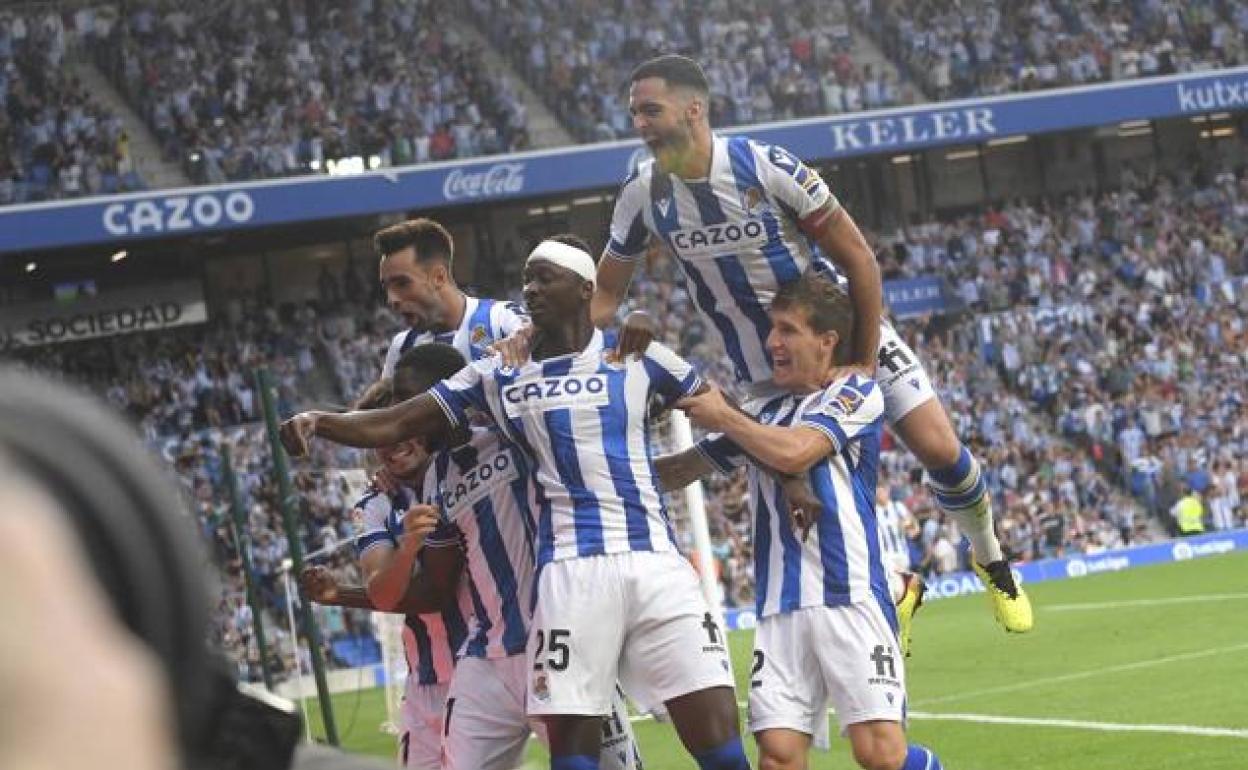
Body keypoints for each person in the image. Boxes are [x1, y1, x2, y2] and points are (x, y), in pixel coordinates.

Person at [591, 54, 1030, 633]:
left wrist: (861, 363)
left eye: (651, 110)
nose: (640, 124)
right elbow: (603, 296)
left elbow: (860, 260)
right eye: (634, 114)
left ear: (693, 108)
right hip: (763, 370)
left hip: (839, 336)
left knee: (941, 451)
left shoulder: (765, 167)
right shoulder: (642, 193)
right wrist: (562, 335)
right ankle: (894, 590)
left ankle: (990, 556)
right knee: (811, 498)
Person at [281, 239, 751, 770]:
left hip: (656, 566)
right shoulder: (494, 380)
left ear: (585, 288)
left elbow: (727, 420)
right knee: (573, 760)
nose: (529, 289)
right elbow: (400, 423)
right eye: (526, 279)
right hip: (562, 585)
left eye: (544, 277)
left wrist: (761, 466)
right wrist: (320, 420)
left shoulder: (635, 357)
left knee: (723, 748)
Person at [657, 274, 945, 770]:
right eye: (772, 330)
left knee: (881, 757)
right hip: (780, 606)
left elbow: (797, 452)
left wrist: (725, 416)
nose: (773, 343)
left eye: (788, 330)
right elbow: (684, 469)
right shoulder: (762, 408)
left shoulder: (856, 392)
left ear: (827, 341)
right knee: (779, 758)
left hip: (849, 596)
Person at [306, 377, 469, 770]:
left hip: (484, 664)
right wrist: (409, 544)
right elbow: (382, 592)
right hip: (424, 677)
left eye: (402, 429)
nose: (394, 445)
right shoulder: (374, 503)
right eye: (381, 437)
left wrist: (342, 594)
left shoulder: (462, 471)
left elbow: (438, 592)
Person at [376, 217, 528, 378]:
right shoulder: (402, 347)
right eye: (386, 287)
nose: (391, 300)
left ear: (439, 277)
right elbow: (389, 403)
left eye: (402, 283)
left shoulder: (502, 319)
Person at [875, 485, 925, 656]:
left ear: (887, 491)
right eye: (877, 491)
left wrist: (909, 526)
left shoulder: (898, 507)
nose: (879, 493)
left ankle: (897, 633)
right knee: (900, 588)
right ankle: (894, 635)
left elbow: (914, 528)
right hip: (886, 558)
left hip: (902, 556)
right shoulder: (873, 511)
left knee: (901, 595)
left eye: (881, 490)